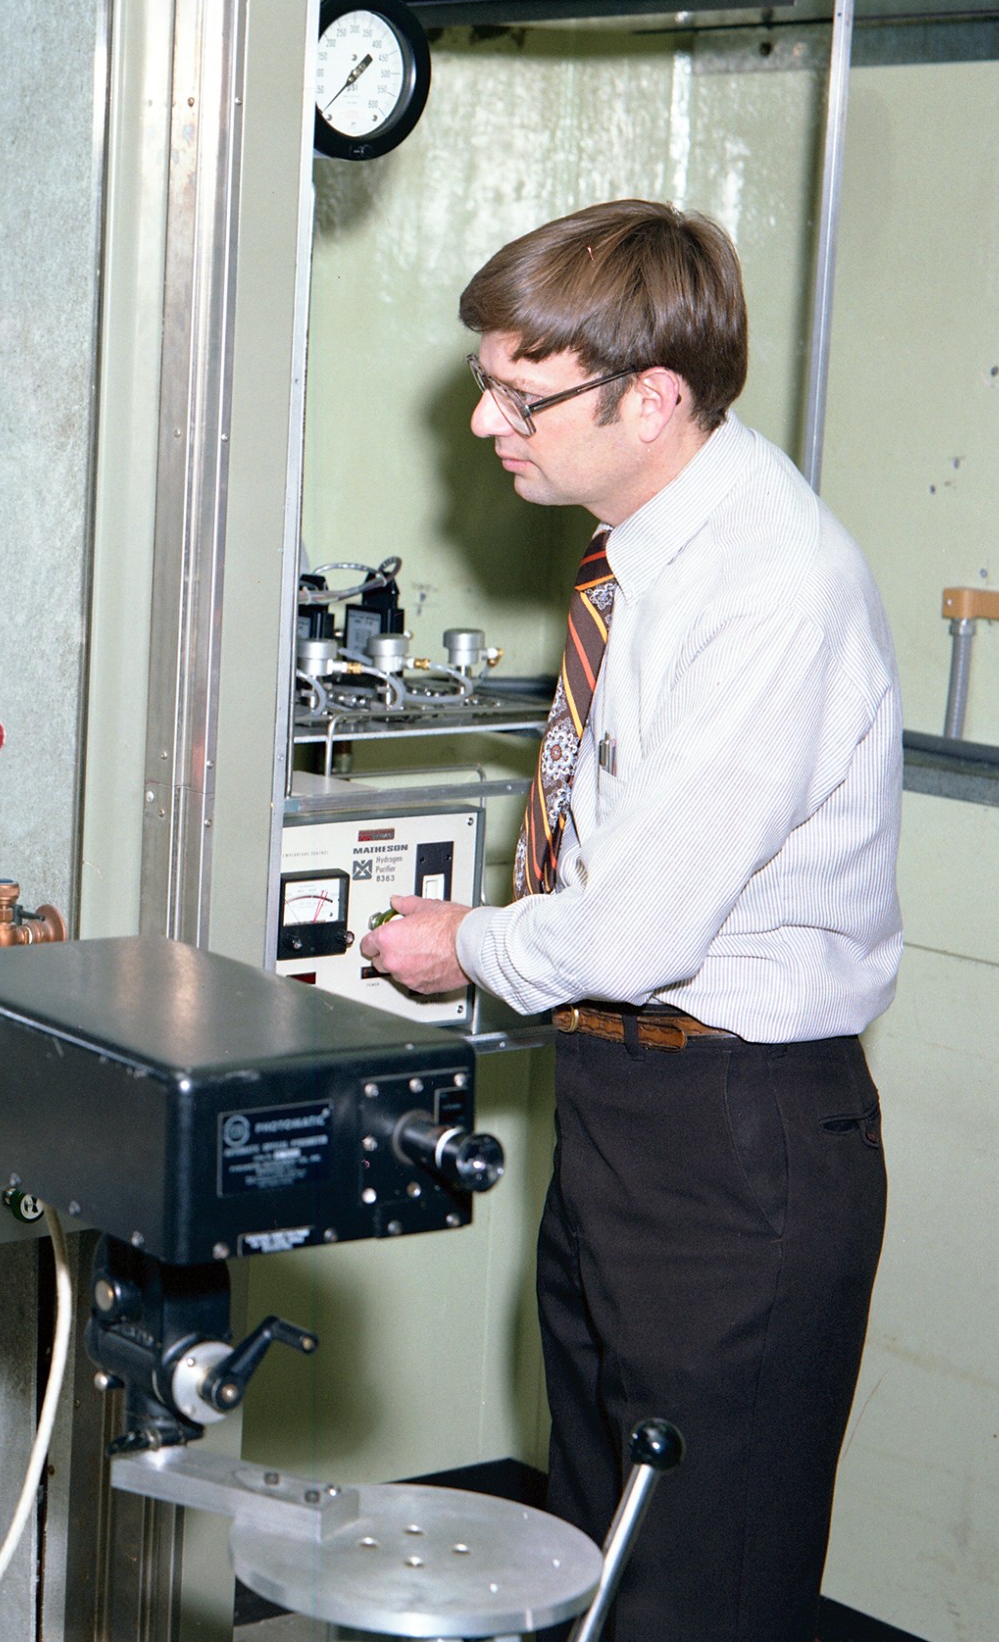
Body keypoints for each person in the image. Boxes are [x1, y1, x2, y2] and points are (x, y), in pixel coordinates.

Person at [361, 199, 899, 1642]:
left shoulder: (767, 591)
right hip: (624, 1100)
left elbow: (634, 931)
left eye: (518, 392)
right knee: (592, 1559)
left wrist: (460, 940)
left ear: (653, 398)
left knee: (695, 1589)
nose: (485, 423)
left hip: (731, 1137)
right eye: (487, 381)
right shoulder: (642, 550)